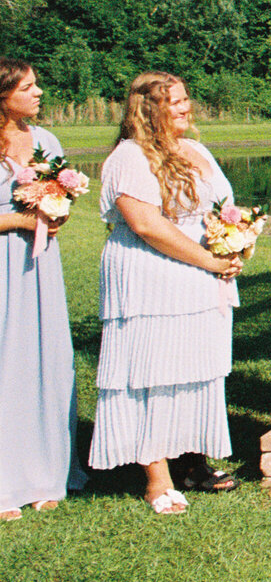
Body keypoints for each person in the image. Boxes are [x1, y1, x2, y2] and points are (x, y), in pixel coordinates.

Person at [89, 73, 243, 514]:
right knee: (150, 371)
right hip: (151, 277)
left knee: (196, 368)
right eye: (174, 102)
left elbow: (223, 208)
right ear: (147, 109)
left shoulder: (196, 150)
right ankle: (157, 479)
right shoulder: (128, 157)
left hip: (200, 274)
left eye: (185, 99)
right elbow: (145, 225)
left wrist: (233, 245)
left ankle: (192, 461)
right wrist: (208, 259)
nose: (185, 107)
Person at [0, 59, 87, 521]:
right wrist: (19, 219)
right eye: (29, 87)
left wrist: (57, 212)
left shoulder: (47, 141)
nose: (39, 93)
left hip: (38, 266)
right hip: (1, 263)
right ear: (3, 94)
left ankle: (44, 470)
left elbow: (62, 197)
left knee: (43, 359)